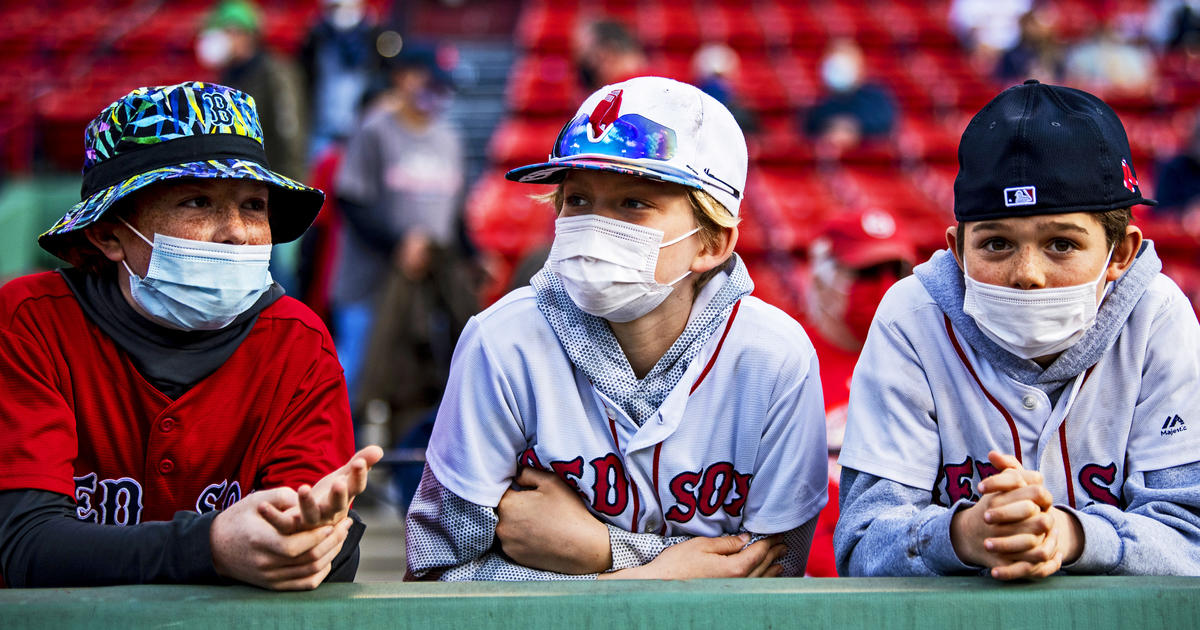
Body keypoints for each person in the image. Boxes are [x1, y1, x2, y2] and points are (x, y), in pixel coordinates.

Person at [404, 76, 828, 581]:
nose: (592, 225)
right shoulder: (500, 341)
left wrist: (603, 552)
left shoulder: (775, 356)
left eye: (633, 203)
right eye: (578, 199)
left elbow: (772, 579)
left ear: (712, 243)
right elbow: (436, 576)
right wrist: (657, 574)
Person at [0, 81, 382, 589]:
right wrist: (212, 546)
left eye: (253, 205)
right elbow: (24, 546)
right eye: (198, 202)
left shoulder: (297, 342)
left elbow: (308, 535)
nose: (237, 232)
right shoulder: (31, 321)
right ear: (109, 233)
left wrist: (306, 544)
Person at [835, 80, 1200, 578]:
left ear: (1121, 253)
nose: (1028, 271)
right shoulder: (911, 315)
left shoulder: (1157, 316)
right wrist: (963, 535)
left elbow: (1191, 540)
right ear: (958, 249)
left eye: (1062, 244)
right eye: (997, 244)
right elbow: (861, 544)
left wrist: (1069, 536)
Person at [798, 207, 917, 577]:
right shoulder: (786, 360)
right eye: (865, 272)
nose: (883, 287)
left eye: (894, 271)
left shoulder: (923, 363)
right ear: (822, 277)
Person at [299, 0, 384, 159]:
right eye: (336, 7)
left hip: (359, 129)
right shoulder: (317, 37)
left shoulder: (373, 38)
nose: (341, 13)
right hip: (321, 128)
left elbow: (381, 78)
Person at [803, 38, 898, 156]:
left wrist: (854, 129)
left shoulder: (876, 98)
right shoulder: (822, 103)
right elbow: (809, 129)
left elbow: (884, 124)